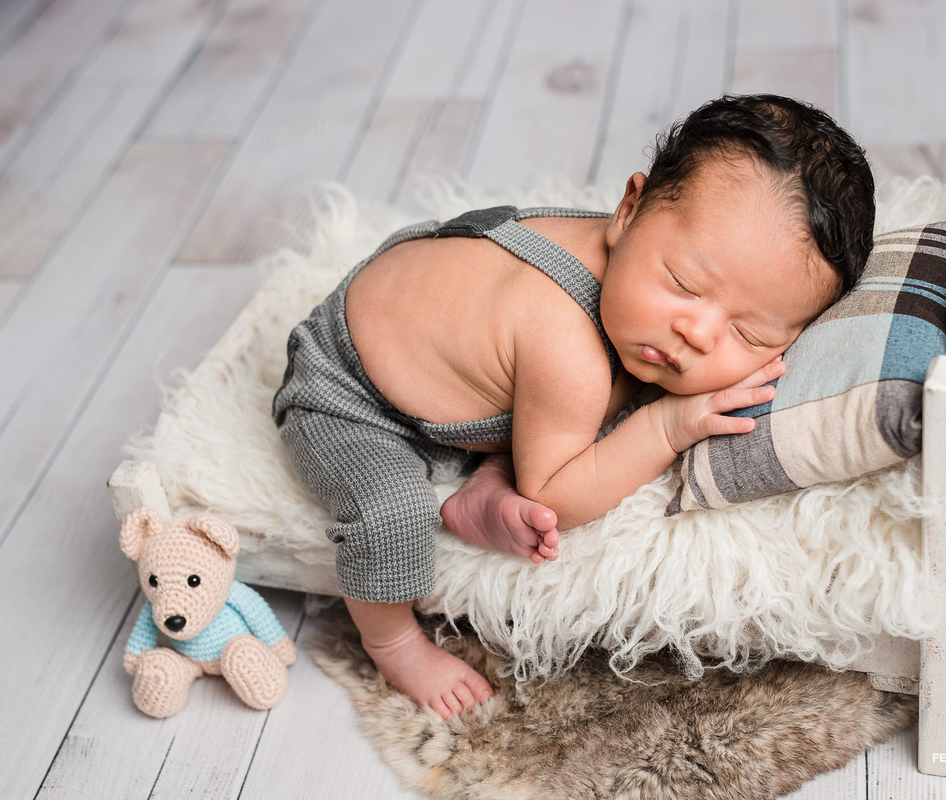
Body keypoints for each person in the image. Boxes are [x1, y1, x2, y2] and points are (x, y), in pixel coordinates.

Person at [272, 94, 875, 719]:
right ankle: (393, 641)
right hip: (349, 392)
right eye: (684, 285)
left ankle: (479, 485)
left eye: (749, 335)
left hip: (440, 354)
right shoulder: (566, 345)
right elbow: (556, 495)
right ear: (629, 210)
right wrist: (666, 425)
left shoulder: (640, 286)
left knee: (572, 410)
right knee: (389, 509)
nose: (697, 333)